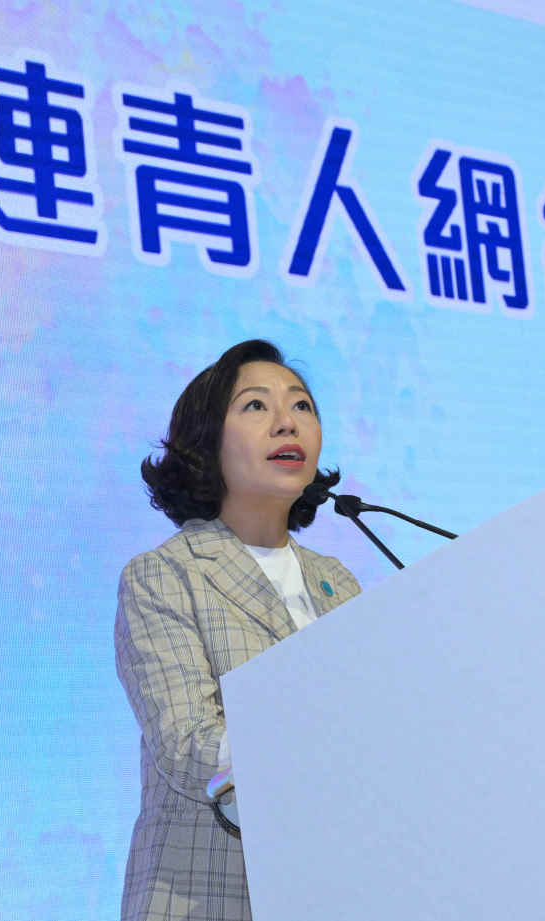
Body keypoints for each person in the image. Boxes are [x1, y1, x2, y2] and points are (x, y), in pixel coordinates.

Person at [115, 339, 361, 921]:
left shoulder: (338, 583)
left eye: (301, 406)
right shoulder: (165, 575)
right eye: (256, 405)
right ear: (206, 444)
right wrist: (329, 749)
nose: (287, 422)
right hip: (208, 897)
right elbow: (189, 747)